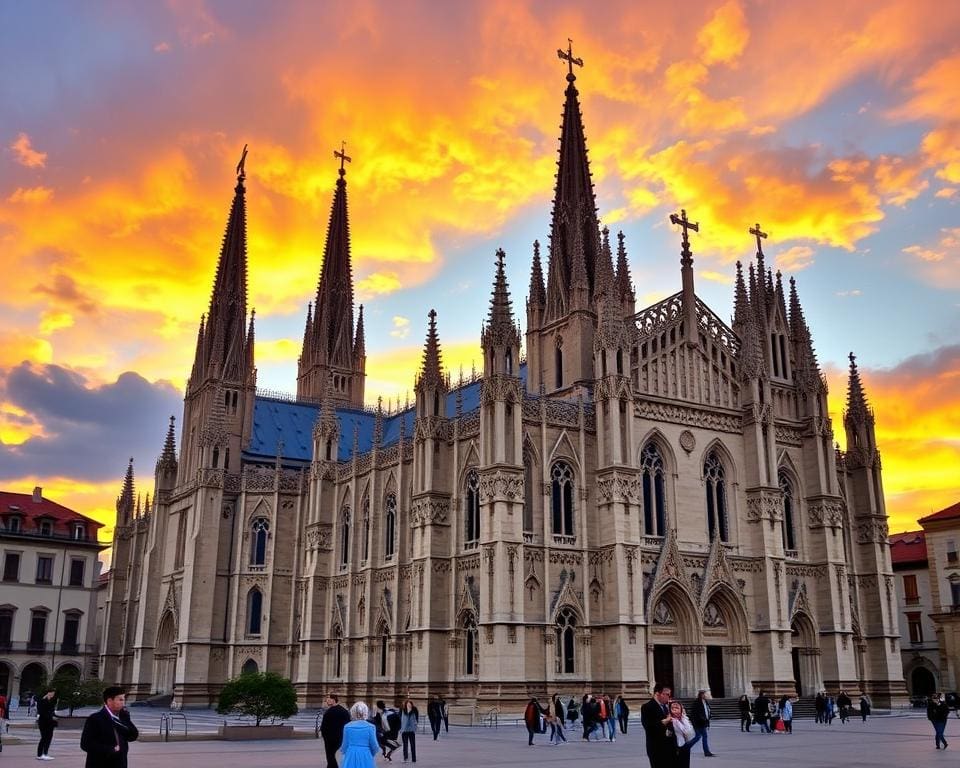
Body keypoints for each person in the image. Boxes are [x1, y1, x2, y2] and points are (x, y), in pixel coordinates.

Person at [79, 686, 139, 768]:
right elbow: (85, 744)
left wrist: (125, 720)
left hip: (120, 763)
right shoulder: (96, 718)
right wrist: (111, 749)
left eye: (124, 699)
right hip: (100, 763)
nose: (123, 703)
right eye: (120, 700)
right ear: (109, 701)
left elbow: (133, 736)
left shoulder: (123, 716)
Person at [641, 683, 676, 768]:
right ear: (657, 694)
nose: (669, 697)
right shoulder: (647, 707)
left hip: (670, 747)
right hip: (657, 748)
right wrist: (664, 721)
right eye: (667, 694)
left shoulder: (667, 707)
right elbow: (649, 727)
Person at [340, 702, 380, 768]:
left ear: (352, 712)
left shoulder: (347, 727)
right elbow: (375, 746)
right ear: (366, 712)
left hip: (351, 755)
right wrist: (370, 754)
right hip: (365, 755)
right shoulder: (371, 727)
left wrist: (345, 754)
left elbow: (344, 745)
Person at [320, 693, 352, 768]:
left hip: (330, 738)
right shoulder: (344, 711)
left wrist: (324, 735)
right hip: (341, 737)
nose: (327, 702)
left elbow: (324, 726)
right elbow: (348, 724)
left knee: (330, 755)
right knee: (331, 755)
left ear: (333, 700)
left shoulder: (328, 712)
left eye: (328, 700)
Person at [670, 701, 696, 768]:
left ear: (681, 709)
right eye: (672, 708)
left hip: (685, 746)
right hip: (675, 747)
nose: (675, 709)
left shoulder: (684, 719)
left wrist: (682, 718)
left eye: (677, 708)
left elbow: (690, 733)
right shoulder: (670, 720)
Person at [36, 688, 58, 760]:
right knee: (44, 737)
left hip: (50, 723)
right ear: (48, 693)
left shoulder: (51, 701)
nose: (53, 695)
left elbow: (52, 711)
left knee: (49, 738)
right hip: (44, 722)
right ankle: (40, 754)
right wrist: (51, 717)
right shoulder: (42, 701)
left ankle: (45, 753)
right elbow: (42, 712)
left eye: (53, 694)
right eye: (52, 693)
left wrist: (54, 716)